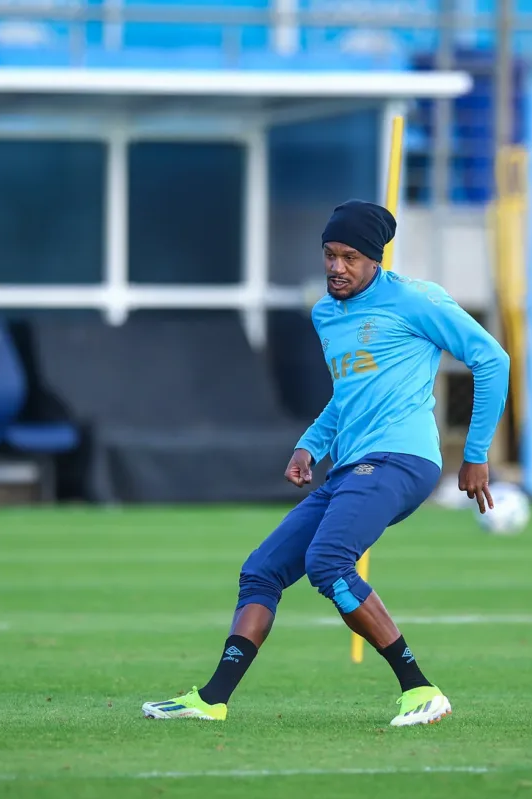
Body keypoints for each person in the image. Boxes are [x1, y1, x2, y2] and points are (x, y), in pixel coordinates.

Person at [142, 199, 511, 725]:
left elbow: (492, 360)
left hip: (402, 459)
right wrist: (310, 445)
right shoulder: (326, 314)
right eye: (330, 254)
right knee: (262, 571)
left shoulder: (415, 301)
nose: (337, 267)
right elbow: (347, 397)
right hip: (351, 466)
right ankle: (212, 699)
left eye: (350, 258)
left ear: (375, 258)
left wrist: (475, 455)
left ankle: (421, 690)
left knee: (328, 562)